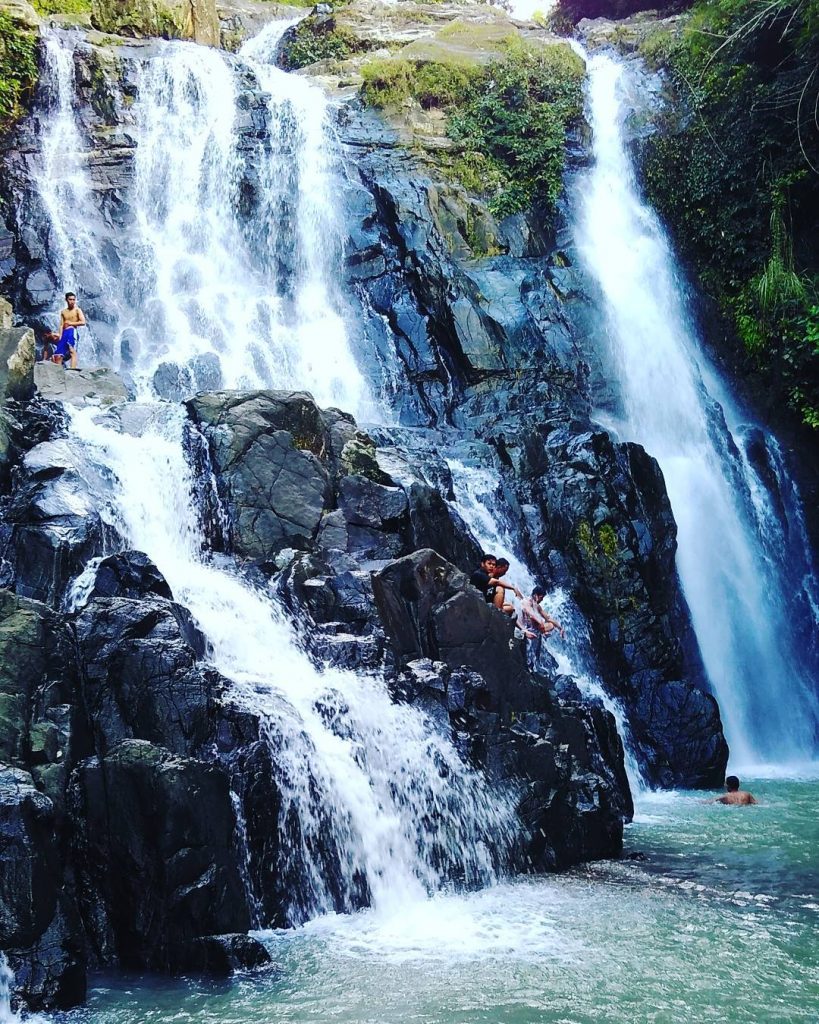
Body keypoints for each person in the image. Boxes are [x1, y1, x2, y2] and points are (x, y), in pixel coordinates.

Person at [55, 292, 85, 369]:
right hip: (64, 333)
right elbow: (61, 325)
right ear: (66, 300)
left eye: (74, 299)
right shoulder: (63, 312)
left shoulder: (77, 310)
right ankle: (58, 372)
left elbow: (83, 322)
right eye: (70, 299)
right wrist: (60, 336)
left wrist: (71, 323)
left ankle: (73, 370)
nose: (72, 301)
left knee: (72, 350)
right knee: (58, 355)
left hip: (72, 331)